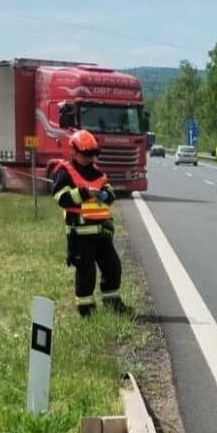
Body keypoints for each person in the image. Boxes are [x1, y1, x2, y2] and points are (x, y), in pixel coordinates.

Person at [51, 130, 127, 316]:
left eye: (92, 154)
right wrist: (84, 193)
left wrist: (104, 195)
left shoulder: (98, 173)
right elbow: (61, 198)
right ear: (74, 152)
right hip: (80, 233)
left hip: (101, 233)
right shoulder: (65, 171)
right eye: (86, 154)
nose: (90, 158)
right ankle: (86, 310)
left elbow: (110, 195)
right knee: (86, 273)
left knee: (112, 267)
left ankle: (113, 304)